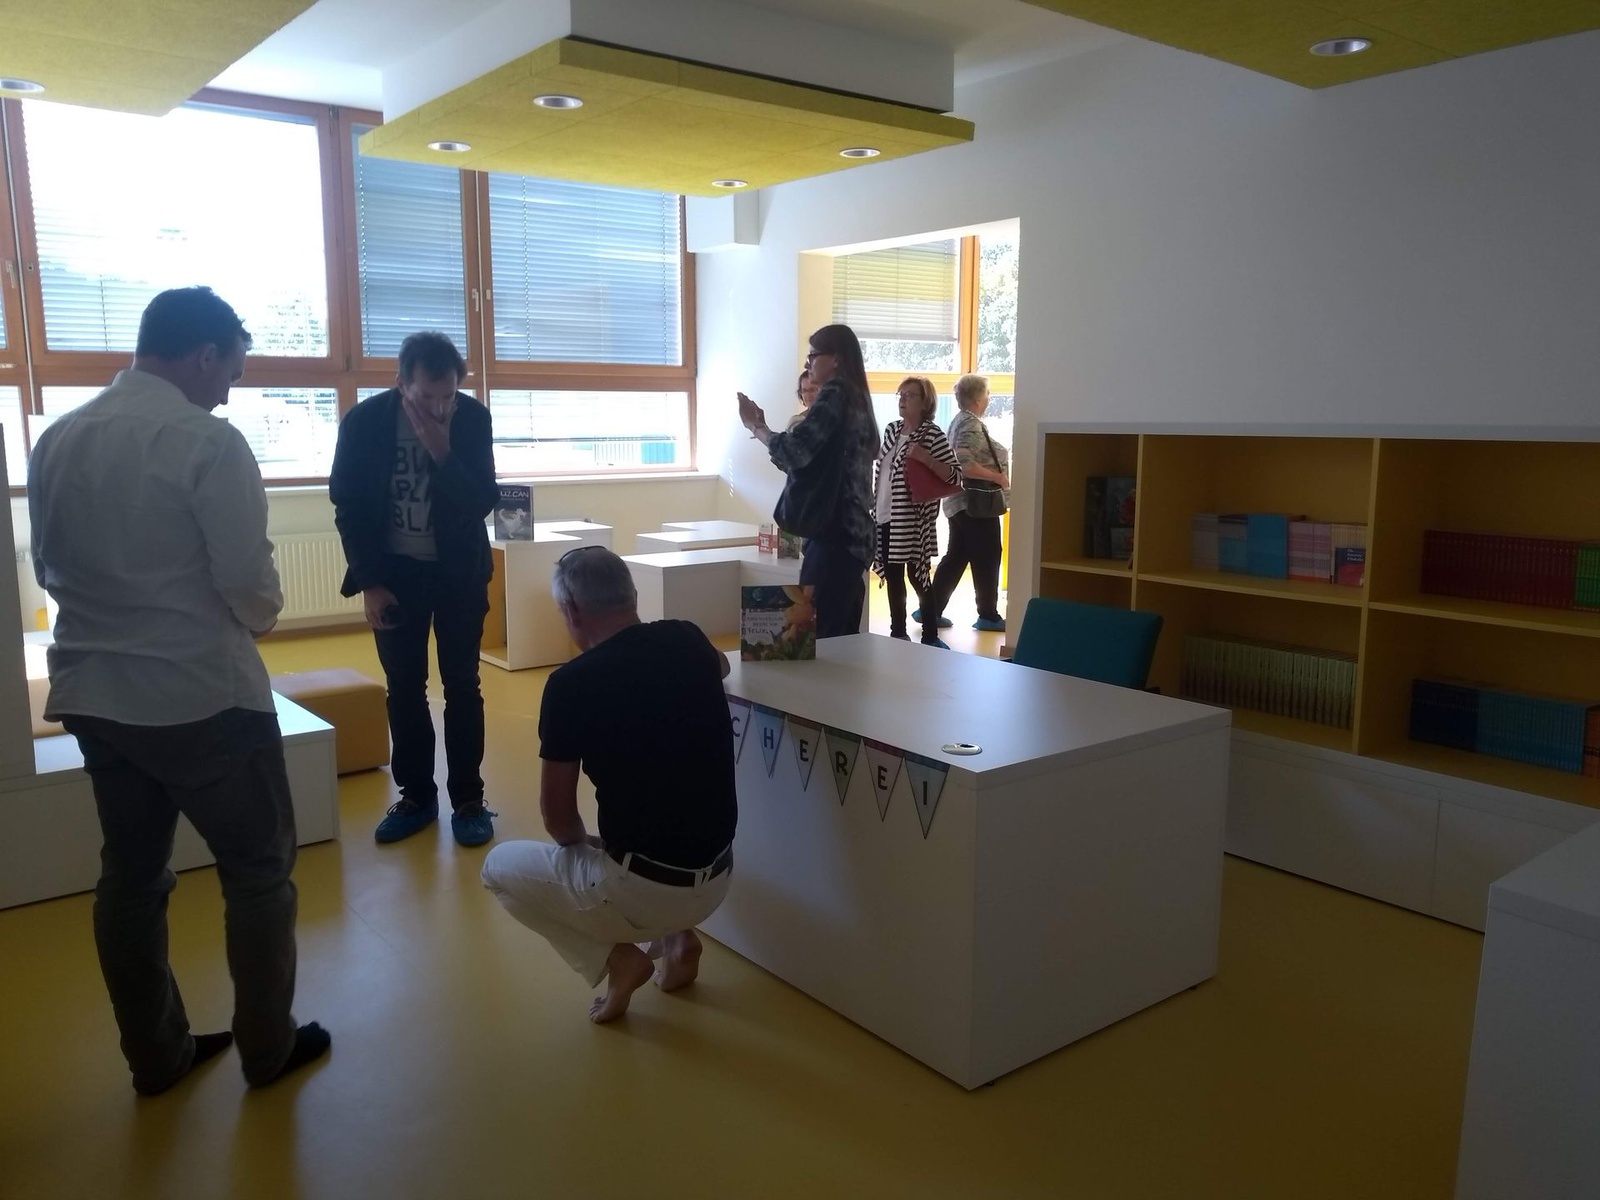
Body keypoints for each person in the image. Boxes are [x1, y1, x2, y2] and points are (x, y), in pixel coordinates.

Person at [27, 286, 328, 1094]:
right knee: (258, 873)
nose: (228, 391)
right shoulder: (207, 442)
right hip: (204, 697)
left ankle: (156, 1056)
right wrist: (258, 618)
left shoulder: (57, 439)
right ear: (203, 355)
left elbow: (46, 565)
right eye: (230, 371)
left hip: (96, 695)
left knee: (130, 878)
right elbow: (249, 586)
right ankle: (267, 1048)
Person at [481, 547, 737, 1023]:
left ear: (571, 610)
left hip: (643, 892)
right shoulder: (687, 637)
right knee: (667, 813)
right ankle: (679, 939)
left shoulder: (570, 685)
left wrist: (587, 844)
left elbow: (558, 820)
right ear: (632, 595)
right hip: (719, 879)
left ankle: (619, 960)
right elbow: (721, 666)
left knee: (496, 868)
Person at [329, 332, 499, 847]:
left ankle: (468, 800)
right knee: (404, 687)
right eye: (428, 396)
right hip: (395, 576)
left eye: (448, 395)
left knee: (462, 684)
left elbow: (481, 502)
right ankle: (416, 797)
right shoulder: (364, 423)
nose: (440, 407)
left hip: (458, 574)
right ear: (401, 383)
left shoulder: (472, 419)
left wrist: (443, 454)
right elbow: (349, 508)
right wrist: (370, 584)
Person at [737, 324, 877, 638]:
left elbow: (794, 451)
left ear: (836, 359)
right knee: (842, 638)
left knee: (819, 639)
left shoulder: (836, 393)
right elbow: (807, 461)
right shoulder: (857, 398)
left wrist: (756, 427)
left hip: (833, 535)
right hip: (852, 537)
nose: (807, 363)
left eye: (813, 355)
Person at [920, 374, 1012, 635]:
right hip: (976, 503)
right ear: (978, 399)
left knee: (957, 555)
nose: (989, 399)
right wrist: (998, 477)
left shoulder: (958, 422)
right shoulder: (971, 424)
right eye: (988, 395)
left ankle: (930, 610)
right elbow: (964, 464)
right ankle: (988, 615)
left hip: (959, 502)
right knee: (988, 555)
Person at [872, 377, 961, 644]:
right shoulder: (891, 430)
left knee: (917, 575)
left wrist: (926, 458)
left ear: (925, 402)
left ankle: (930, 634)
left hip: (912, 519)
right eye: (900, 394)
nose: (902, 399)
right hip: (884, 513)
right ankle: (897, 633)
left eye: (910, 395)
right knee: (893, 574)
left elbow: (955, 476)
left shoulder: (932, 435)